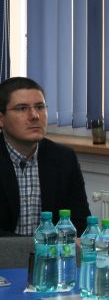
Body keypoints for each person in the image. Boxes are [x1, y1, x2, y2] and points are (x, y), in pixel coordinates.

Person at [0, 77, 91, 236]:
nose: (35, 116)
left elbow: (80, 223)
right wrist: (33, 246)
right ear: (1, 119)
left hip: (53, 250)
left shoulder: (64, 158)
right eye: (22, 108)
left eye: (40, 107)